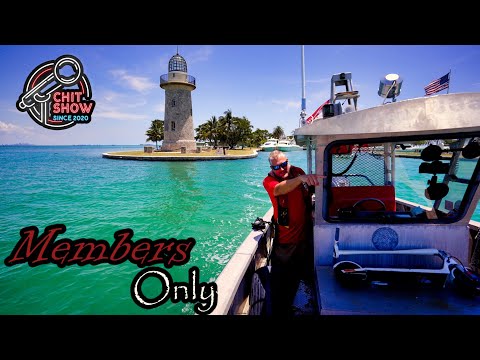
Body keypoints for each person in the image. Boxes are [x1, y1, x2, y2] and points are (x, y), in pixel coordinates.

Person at [263, 150, 324, 315]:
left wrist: (311, 208)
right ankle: (281, 309)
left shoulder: (297, 171)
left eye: (284, 164)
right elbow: (279, 190)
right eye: (276, 167)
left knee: (299, 272)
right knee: (282, 279)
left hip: (304, 234)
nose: (282, 169)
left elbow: (309, 192)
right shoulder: (269, 181)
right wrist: (299, 179)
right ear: (271, 168)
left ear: (288, 161)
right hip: (285, 240)